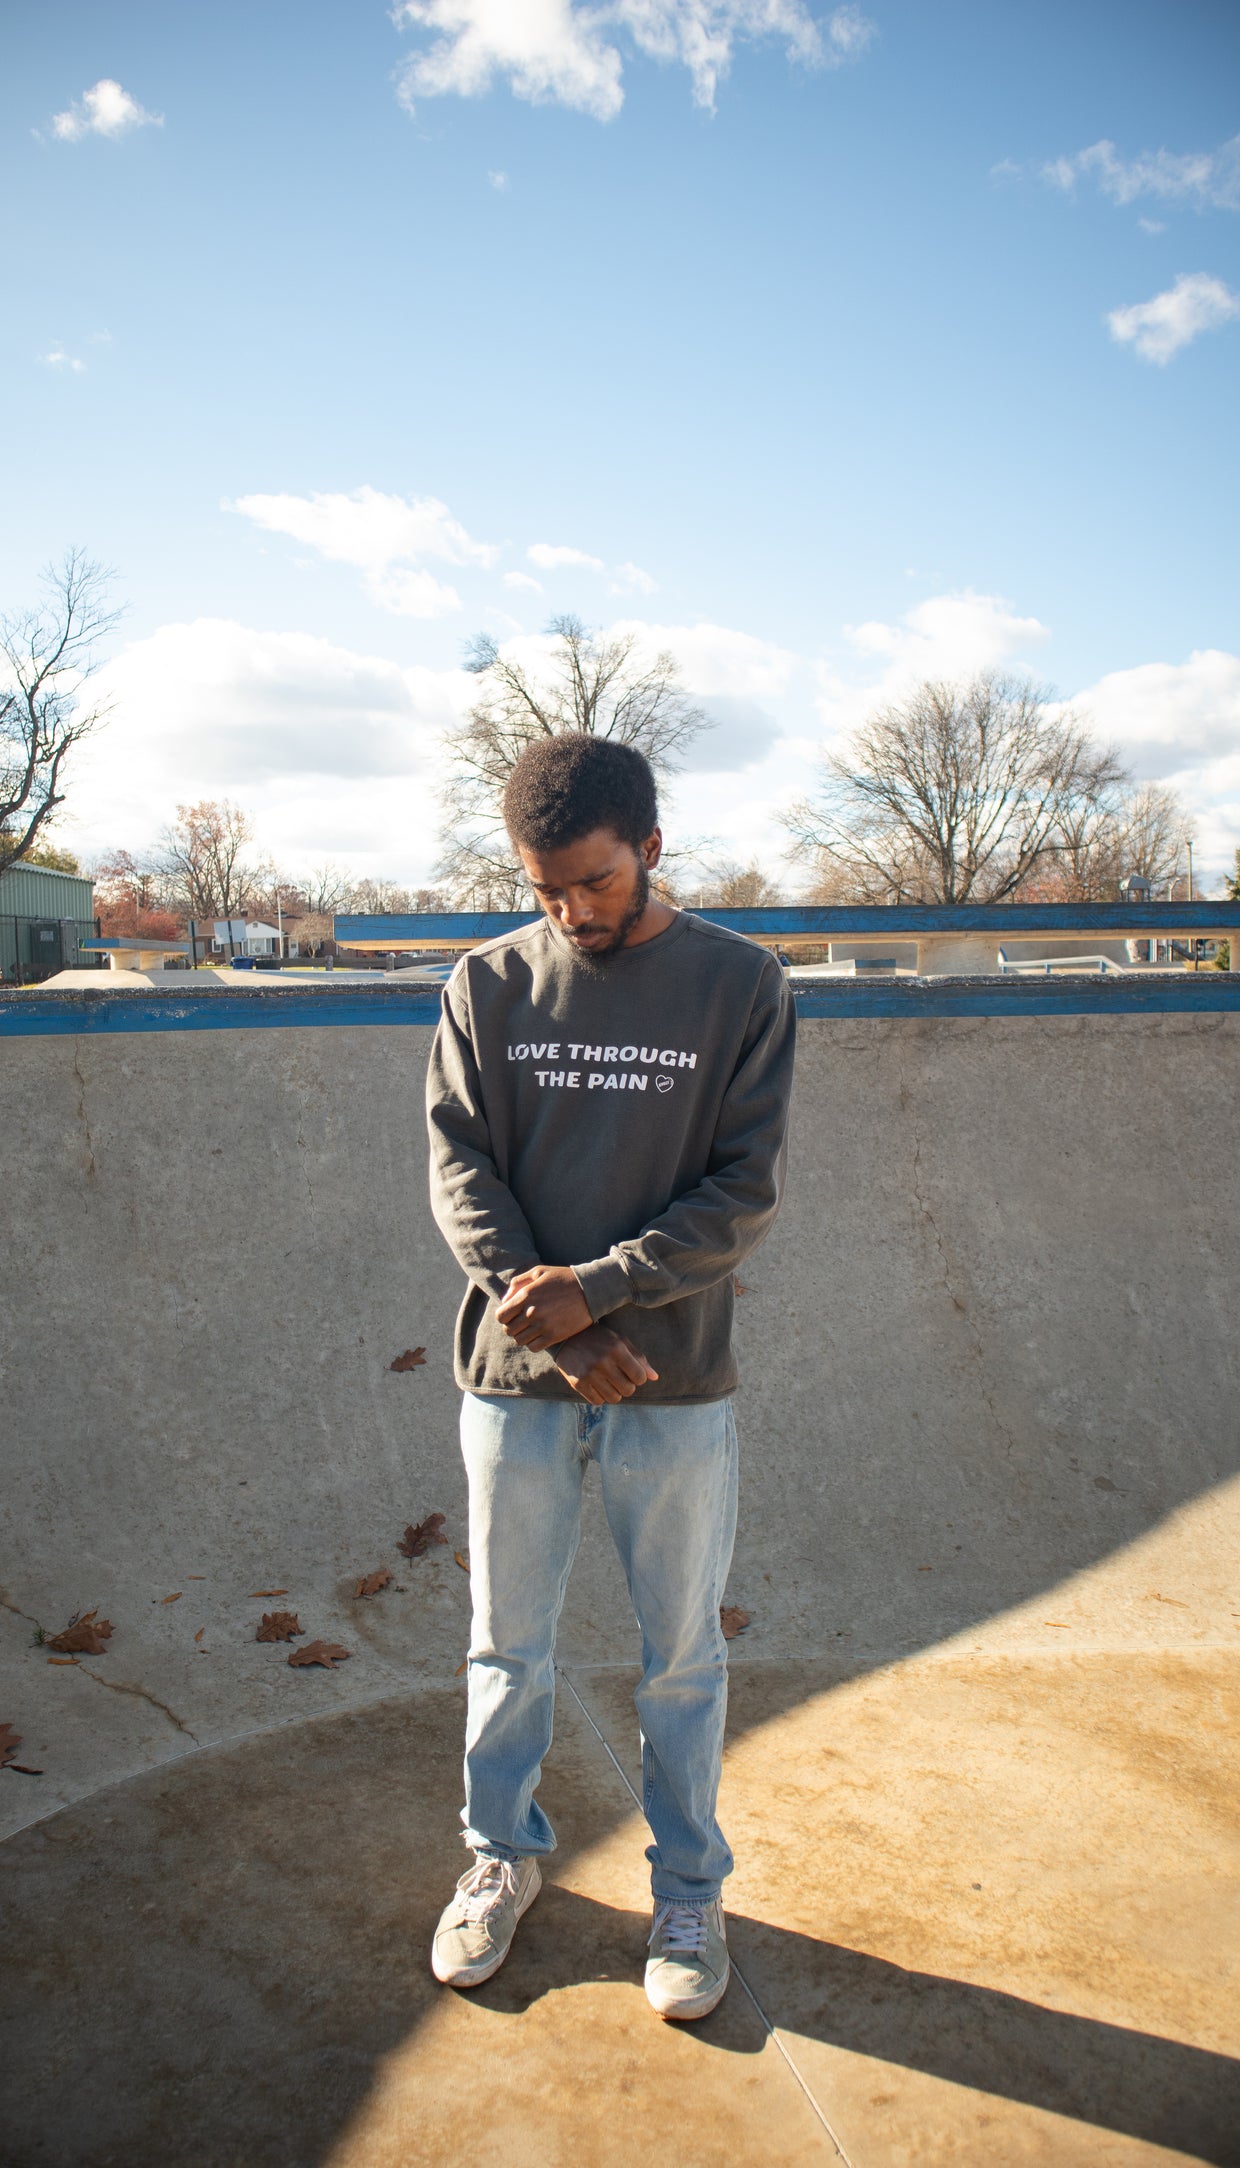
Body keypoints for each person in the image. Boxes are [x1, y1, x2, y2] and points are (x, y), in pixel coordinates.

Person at [425, 735, 795, 2021]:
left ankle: (688, 1886)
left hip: (673, 1380)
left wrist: (609, 1287)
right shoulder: (485, 983)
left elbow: (741, 1192)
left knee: (679, 1657)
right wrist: (558, 1324)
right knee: (503, 1645)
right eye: (543, 890)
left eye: (589, 881)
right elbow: (461, 1170)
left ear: (648, 845)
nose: (568, 911)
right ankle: (499, 1854)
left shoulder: (738, 984)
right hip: (516, 1378)